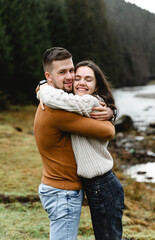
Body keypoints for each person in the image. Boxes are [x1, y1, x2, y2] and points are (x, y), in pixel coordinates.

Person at [34, 47, 115, 240]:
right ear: (49, 76)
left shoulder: (55, 100)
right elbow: (107, 131)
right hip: (63, 192)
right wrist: (109, 116)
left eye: (71, 70)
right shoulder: (57, 111)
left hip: (57, 188)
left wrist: (110, 111)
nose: (70, 77)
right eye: (62, 72)